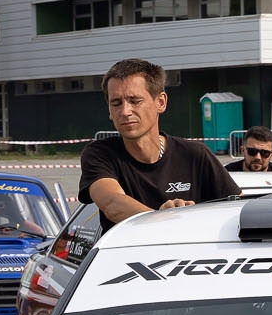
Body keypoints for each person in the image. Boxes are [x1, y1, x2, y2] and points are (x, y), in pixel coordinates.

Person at [79, 58, 240, 228]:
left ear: (161, 102)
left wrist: (189, 218)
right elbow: (112, 204)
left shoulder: (196, 155)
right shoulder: (99, 154)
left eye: (135, 101)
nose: (125, 111)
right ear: (110, 111)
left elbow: (235, 212)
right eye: (116, 103)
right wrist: (164, 219)